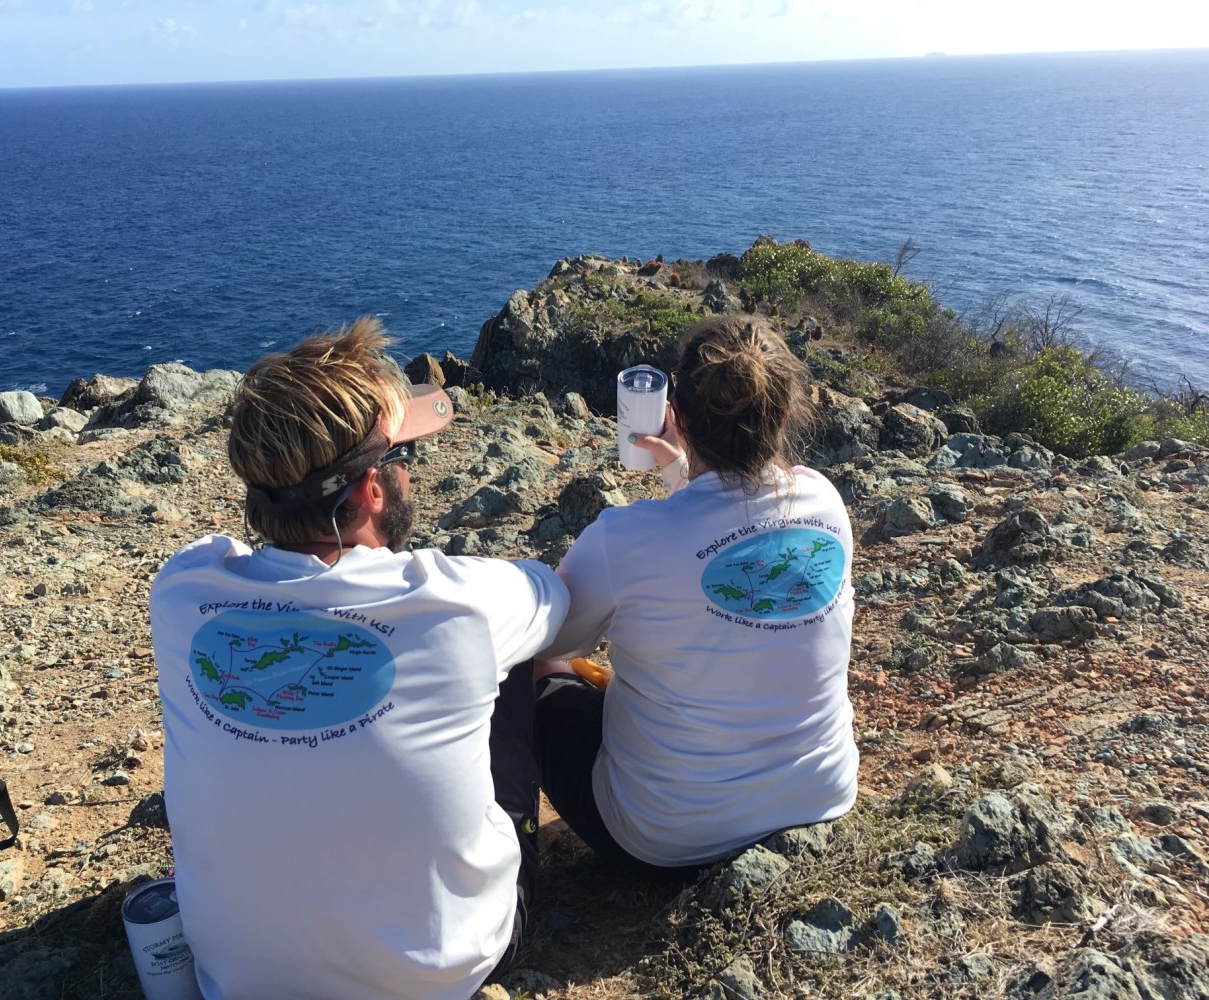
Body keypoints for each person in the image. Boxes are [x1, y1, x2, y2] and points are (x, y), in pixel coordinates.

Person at [149, 317, 569, 1000]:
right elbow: (553, 599)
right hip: (444, 973)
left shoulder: (180, 593)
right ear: (373, 489)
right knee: (515, 656)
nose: (410, 474)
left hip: (237, 979)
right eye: (405, 459)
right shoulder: (457, 603)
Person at [533, 313, 858, 875]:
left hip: (665, 839)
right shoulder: (824, 502)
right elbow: (726, 520)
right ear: (783, 417)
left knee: (537, 669)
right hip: (818, 798)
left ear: (677, 417)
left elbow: (546, 637)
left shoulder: (624, 538)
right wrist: (681, 472)